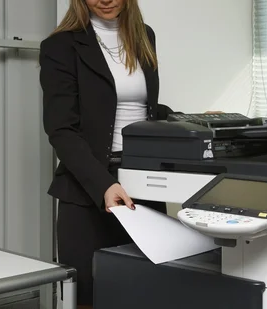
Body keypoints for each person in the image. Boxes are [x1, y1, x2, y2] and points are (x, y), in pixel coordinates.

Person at [38, 0, 219, 307]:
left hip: (142, 180)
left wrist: (194, 120)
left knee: (144, 290)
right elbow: (62, 129)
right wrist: (103, 185)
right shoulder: (60, 46)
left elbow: (145, 111)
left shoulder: (144, 36)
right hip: (88, 188)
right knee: (86, 295)